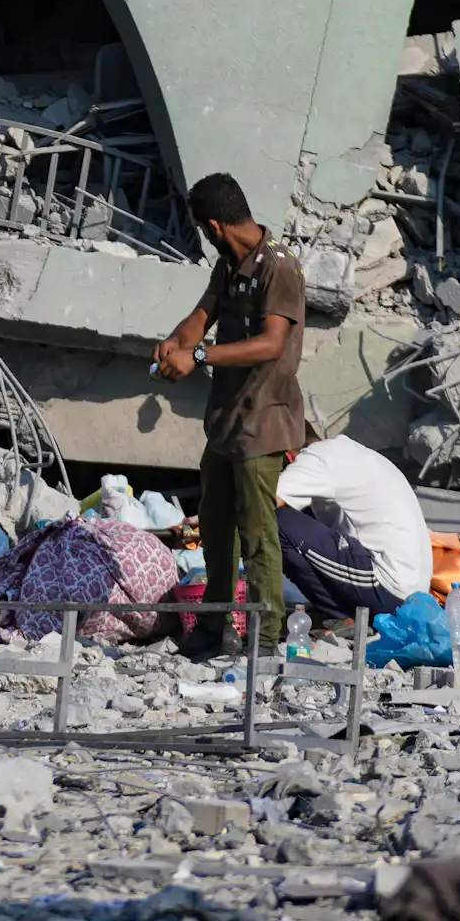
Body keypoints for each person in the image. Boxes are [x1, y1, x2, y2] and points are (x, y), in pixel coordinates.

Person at [154, 171, 306, 655]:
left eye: (203, 230)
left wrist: (197, 357)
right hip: (226, 421)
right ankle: (219, 626)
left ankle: (266, 633)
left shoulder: (279, 268)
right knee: (215, 523)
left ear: (215, 226)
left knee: (257, 530)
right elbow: (203, 314)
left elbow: (271, 343)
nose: (205, 238)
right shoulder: (230, 265)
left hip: (262, 420)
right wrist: (177, 342)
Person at [273, 434, 432, 623]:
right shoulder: (353, 453)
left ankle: (340, 616)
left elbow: (269, 501)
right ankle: (342, 612)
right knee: (299, 517)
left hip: (390, 590)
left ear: (289, 457)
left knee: (277, 522)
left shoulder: (317, 458)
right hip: (413, 595)